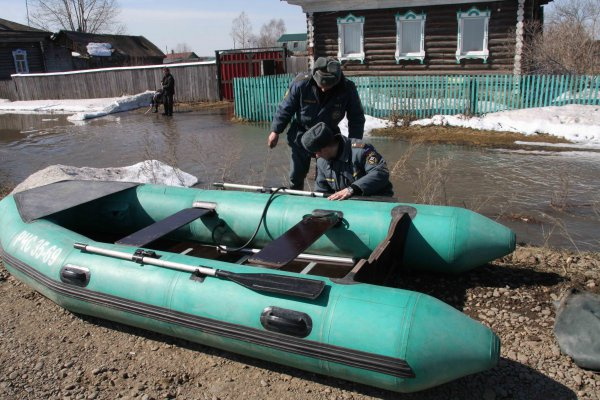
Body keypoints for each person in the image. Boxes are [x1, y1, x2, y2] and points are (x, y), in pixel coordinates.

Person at [267, 57, 365, 190]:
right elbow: (286, 108)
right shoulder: (301, 83)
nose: (324, 89)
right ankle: (296, 198)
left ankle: (323, 201)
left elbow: (356, 118)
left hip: (328, 136)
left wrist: (354, 144)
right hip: (301, 134)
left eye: (328, 86)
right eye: (321, 85)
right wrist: (275, 131)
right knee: (296, 174)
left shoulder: (347, 88)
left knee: (327, 175)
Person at [301, 122, 393, 200]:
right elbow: (321, 190)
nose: (317, 155)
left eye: (318, 151)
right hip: (349, 206)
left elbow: (381, 172)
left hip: (376, 201)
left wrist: (352, 189)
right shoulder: (322, 161)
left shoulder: (361, 150)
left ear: (327, 145)